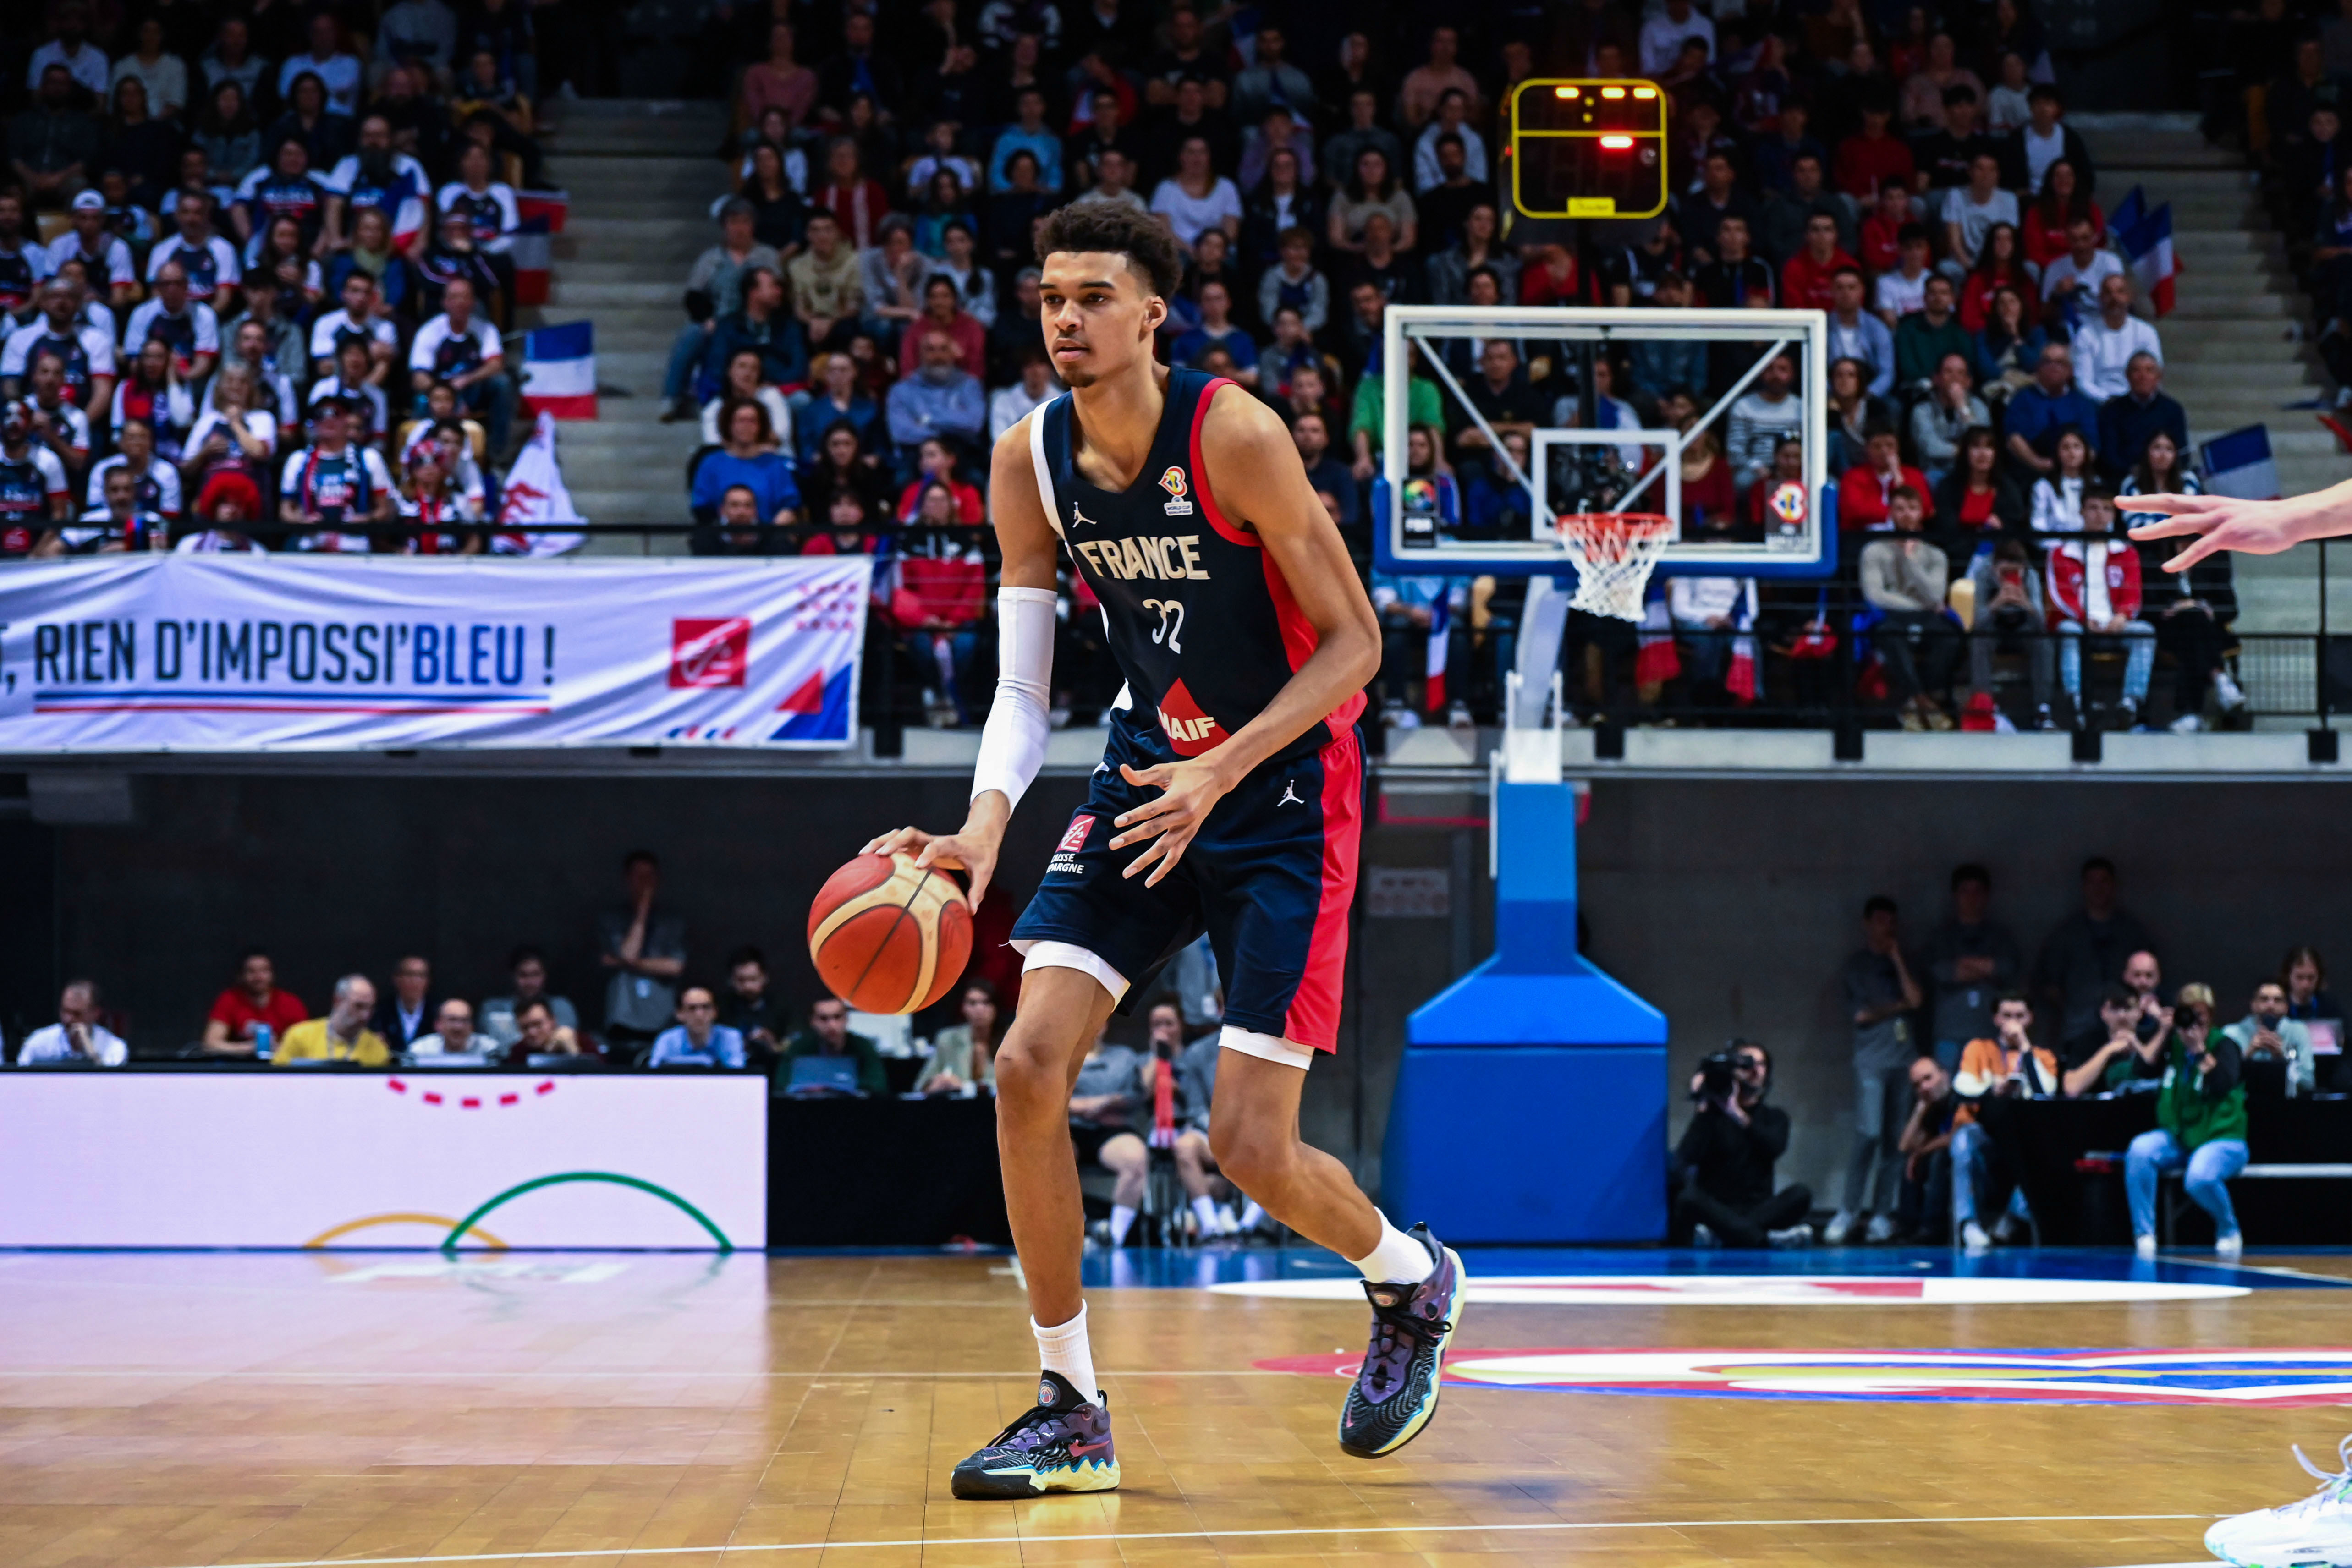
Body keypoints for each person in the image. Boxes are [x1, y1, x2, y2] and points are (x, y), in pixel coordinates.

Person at [863, 200, 1448, 1491]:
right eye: (1048, 296)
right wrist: (978, 827)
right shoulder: (1028, 458)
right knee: (1025, 1063)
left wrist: (1221, 766)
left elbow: (1358, 644)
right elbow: (1023, 693)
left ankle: (1406, 1280)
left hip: (1285, 786)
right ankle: (1069, 1403)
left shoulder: (1231, 432)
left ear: (1150, 315)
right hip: (1146, 773)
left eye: (1090, 296)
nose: (1064, 317)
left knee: (1248, 1142)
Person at [1824, 896, 1922, 1246]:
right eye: (1880, 921)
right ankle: (1848, 1210)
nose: (1887, 928)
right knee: (1869, 1133)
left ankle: (1882, 1214)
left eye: (1891, 921)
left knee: (1897, 1140)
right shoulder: (1856, 966)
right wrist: (1897, 1006)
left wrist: (1896, 958)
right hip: (1871, 1061)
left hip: (1904, 1060)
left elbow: (1918, 1000)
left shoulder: (1906, 963)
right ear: (1867, 924)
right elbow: (1862, 1015)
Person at [2125, 1009, 2249, 1260]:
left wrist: (2200, 1051)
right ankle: (2145, 1235)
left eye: (2199, 1018)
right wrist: (2163, 1031)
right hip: (2182, 1137)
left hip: (2222, 1138)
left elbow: (2222, 1084)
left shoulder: (2225, 1045)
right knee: (2140, 1150)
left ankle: (2228, 1228)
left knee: (2199, 1178)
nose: (2192, 1025)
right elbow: (2141, 1068)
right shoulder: (2174, 1046)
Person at [1672, 1042, 1813, 1248]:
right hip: (1718, 1209)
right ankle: (1765, 1239)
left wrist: (1737, 1114)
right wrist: (1703, 1106)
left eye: (1761, 1065)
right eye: (1747, 1064)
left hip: (1758, 1209)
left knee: (1801, 1194)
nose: (1755, 1070)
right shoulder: (1712, 1116)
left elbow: (1773, 1147)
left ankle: (1728, 1235)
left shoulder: (1774, 1117)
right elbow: (1686, 1157)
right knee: (1687, 1198)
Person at [1950, 992, 2061, 1252]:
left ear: (2030, 1019)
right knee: (1963, 1140)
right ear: (1996, 1019)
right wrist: (1993, 1089)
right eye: (2007, 1016)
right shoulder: (1978, 1049)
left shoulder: (2043, 1056)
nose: (2013, 1023)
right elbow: (1963, 1087)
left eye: (2020, 1017)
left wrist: (2024, 1047)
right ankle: (1968, 1224)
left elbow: (2045, 1092)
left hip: (2025, 1140)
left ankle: (2011, 1218)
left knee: (2046, 1151)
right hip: (1986, 1136)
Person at [2048, 486, 2156, 729]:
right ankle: (2076, 701)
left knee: (2144, 632)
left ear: (2113, 516)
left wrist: (2122, 616)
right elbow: (2060, 594)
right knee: (2068, 631)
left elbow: (2133, 592)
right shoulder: (2061, 552)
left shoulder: (2126, 552)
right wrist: (2084, 619)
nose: (2100, 515)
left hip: (2115, 625)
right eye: (2094, 508)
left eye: (2107, 509)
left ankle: (2130, 702)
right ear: (2082, 512)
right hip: (2081, 624)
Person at [598, 850, 685, 1051]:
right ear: (627, 879)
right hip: (622, 1022)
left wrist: (622, 963)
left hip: (663, 1020)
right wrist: (642, 911)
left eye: (650, 876)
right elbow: (630, 953)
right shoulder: (610, 920)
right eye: (639, 876)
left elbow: (675, 967)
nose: (645, 883)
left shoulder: (672, 922)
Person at [201, 948, 309, 1055]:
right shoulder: (230, 999)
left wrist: (278, 1048)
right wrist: (252, 1048)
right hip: (239, 1068)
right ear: (241, 976)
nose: (258, 977)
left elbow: (305, 1046)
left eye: (264, 971)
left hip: (279, 1068)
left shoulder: (290, 1003)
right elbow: (211, 1044)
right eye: (251, 971)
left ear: (272, 975)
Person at [2224, 980, 2317, 1097]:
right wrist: (2248, 1054)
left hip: (2286, 1105)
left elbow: (2308, 1083)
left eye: (2277, 1000)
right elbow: (2223, 1081)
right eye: (2264, 999)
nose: (2271, 1005)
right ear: (2253, 1004)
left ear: (2286, 1007)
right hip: (2242, 1105)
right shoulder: (2232, 1034)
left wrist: (2282, 1058)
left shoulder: (2298, 1031)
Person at [777, 996, 887, 1095]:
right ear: (812, 1021)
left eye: (837, 1017)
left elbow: (879, 1086)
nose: (832, 1025)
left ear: (846, 1019)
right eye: (823, 1018)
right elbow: (781, 1086)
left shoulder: (862, 1046)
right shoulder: (799, 1048)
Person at [275, 975, 391, 1066]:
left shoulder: (377, 1047)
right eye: (358, 1006)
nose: (365, 1016)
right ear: (338, 1001)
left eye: (370, 1008)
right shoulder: (300, 1036)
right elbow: (276, 1079)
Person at [480, 946, 579, 1048]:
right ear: (513, 976)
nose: (530, 982)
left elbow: (567, 1042)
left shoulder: (561, 1007)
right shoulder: (493, 1008)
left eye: (535, 975)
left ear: (545, 976)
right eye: (523, 975)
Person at [15, 980, 128, 1065]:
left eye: (77, 1014)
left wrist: (91, 1053)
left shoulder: (114, 1048)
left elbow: (111, 1087)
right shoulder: (39, 1042)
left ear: (96, 1013)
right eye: (65, 1011)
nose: (68, 1019)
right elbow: (18, 1078)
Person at [923, 979, 1002, 1094]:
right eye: (973, 1003)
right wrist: (935, 1084)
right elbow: (922, 1085)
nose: (979, 1009)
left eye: (986, 1003)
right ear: (963, 1008)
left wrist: (965, 1087)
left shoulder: (1009, 1040)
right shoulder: (948, 1039)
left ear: (995, 1008)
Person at [717, 947, 787, 1068]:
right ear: (731, 980)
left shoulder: (781, 1008)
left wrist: (773, 1044)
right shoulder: (720, 1009)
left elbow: (793, 1044)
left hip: (771, 1071)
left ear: (765, 977)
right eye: (741, 980)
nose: (748, 986)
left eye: (753, 979)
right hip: (731, 1071)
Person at [646, 987, 747, 1069]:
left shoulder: (730, 1037)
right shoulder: (667, 1039)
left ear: (715, 1012)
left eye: (706, 1007)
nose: (699, 1015)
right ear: (680, 1014)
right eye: (692, 1008)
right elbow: (653, 1074)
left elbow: (738, 1075)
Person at [371, 955, 440, 1052]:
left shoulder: (437, 1011)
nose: (414, 981)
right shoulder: (381, 1012)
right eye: (409, 975)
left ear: (428, 981)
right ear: (396, 979)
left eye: (420, 976)